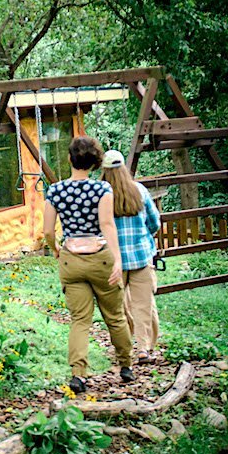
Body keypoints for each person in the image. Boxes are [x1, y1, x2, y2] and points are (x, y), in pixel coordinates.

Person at [43, 136, 134, 395]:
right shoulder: (103, 190)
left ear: (70, 159)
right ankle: (126, 365)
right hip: (100, 258)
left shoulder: (56, 191)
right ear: (95, 163)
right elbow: (107, 225)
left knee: (80, 321)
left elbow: (48, 230)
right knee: (114, 316)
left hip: (71, 258)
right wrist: (117, 259)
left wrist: (56, 249)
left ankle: (78, 375)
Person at [100, 149, 161, 364]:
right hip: (141, 257)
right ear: (124, 168)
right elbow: (155, 223)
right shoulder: (140, 191)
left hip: (114, 261)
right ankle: (145, 349)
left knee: (118, 308)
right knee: (144, 305)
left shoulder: (101, 194)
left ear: (104, 170)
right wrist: (143, 238)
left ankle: (123, 350)